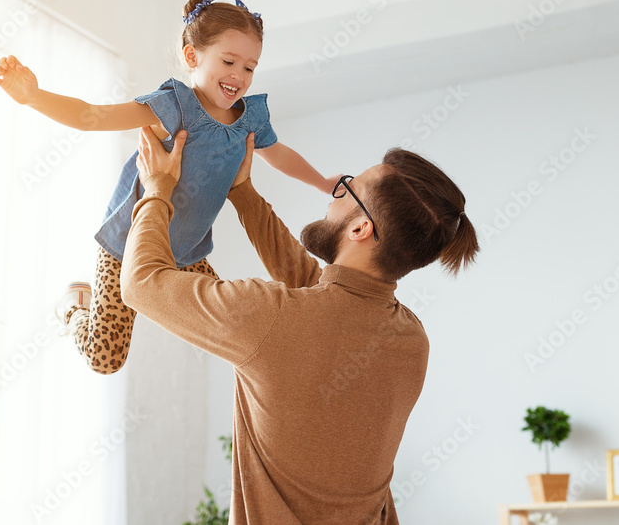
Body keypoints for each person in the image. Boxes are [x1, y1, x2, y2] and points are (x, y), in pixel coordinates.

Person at [125, 124, 479, 524]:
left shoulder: (274, 319)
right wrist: (242, 192)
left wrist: (156, 188)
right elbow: (322, 297)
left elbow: (141, 284)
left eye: (348, 188)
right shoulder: (411, 340)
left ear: (361, 228)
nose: (335, 192)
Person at [0, 0, 338, 373]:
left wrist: (322, 183)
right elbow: (95, 116)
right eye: (229, 61)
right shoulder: (173, 107)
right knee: (105, 360)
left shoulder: (250, 119)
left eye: (250, 67)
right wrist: (34, 97)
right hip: (129, 246)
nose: (240, 76)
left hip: (187, 253)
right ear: (192, 57)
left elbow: (280, 154)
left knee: (232, 330)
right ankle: (74, 307)